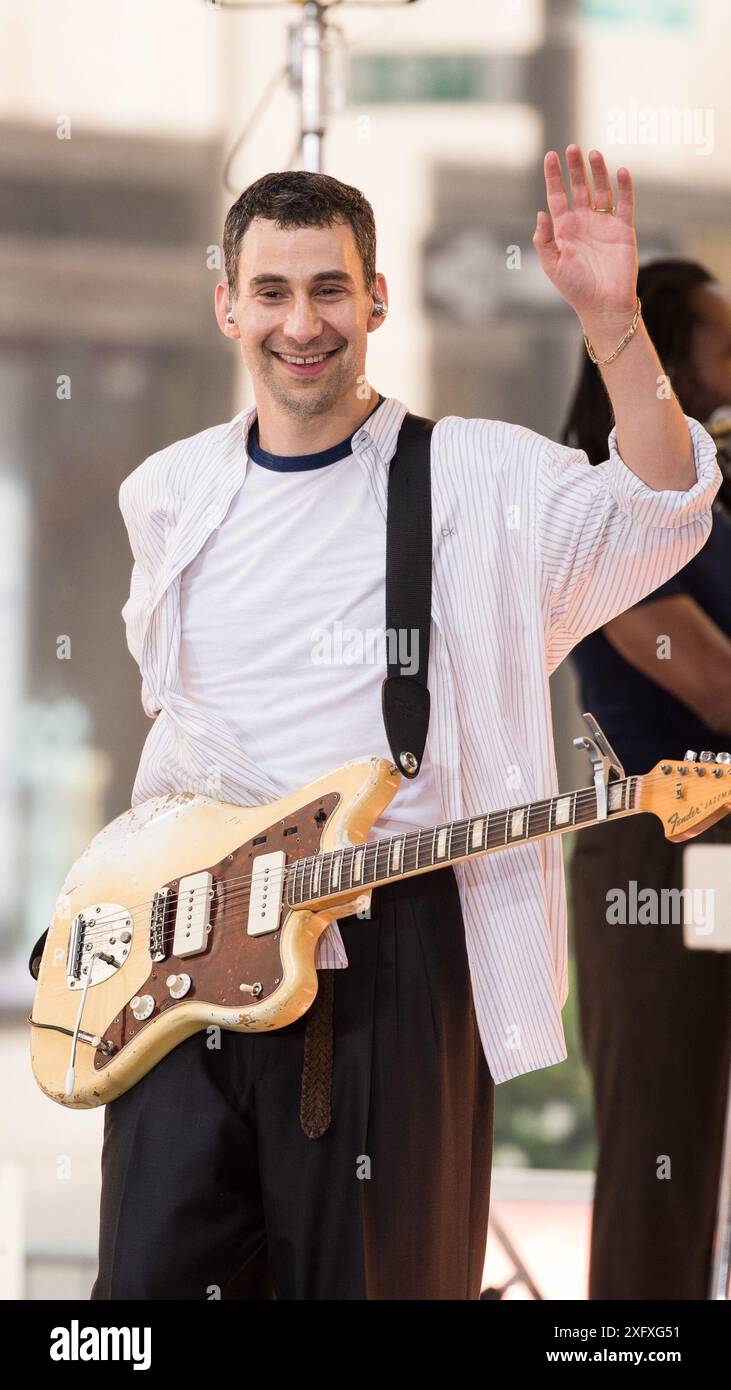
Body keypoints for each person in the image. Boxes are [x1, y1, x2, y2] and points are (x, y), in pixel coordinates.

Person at [91, 150, 723, 1300]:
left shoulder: (476, 476)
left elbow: (661, 504)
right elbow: (172, 732)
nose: (301, 323)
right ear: (226, 304)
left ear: (375, 299)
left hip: (394, 951)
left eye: (330, 289)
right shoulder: (166, 493)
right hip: (185, 960)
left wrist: (615, 324)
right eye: (272, 292)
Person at [563, 259, 731, 1300]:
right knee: (659, 1146)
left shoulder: (713, 505)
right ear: (662, 351)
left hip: (715, 843)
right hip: (658, 846)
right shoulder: (601, 503)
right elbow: (711, 683)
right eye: (721, 334)